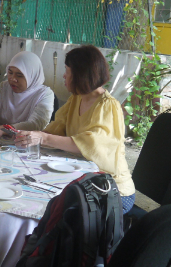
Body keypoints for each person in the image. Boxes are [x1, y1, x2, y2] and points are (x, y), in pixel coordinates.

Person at [15, 45, 135, 213]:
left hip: (112, 190)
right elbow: (56, 130)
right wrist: (29, 136)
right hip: (85, 181)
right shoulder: (76, 99)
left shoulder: (108, 106)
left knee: (57, 211)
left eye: (67, 71)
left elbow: (91, 145)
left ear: (80, 75)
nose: (64, 75)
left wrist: (43, 138)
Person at [0, 51, 54, 137]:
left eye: (19, 75)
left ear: (32, 76)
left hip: (23, 143)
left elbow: (35, 125)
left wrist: (4, 129)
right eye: (10, 73)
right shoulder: (4, 87)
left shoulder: (45, 94)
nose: (12, 79)